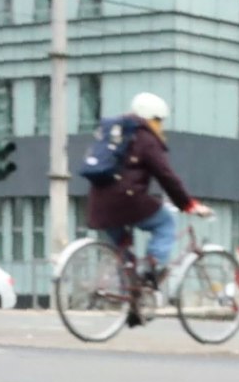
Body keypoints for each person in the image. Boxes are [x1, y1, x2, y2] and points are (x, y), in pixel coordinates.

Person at [84, 91, 209, 301]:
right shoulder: (145, 138)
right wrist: (188, 204)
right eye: (159, 121)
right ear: (152, 118)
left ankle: (131, 301)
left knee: (124, 254)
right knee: (166, 221)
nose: (161, 126)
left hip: (99, 203)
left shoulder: (115, 132)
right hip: (126, 200)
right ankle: (152, 269)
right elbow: (166, 176)